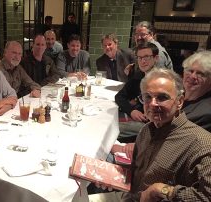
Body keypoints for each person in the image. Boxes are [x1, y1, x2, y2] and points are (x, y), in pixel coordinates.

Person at [89, 68, 211, 201]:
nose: (152, 104)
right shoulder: (146, 130)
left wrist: (161, 190)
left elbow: (206, 196)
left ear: (180, 101)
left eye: (162, 97)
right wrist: (112, 175)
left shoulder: (202, 144)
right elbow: (138, 170)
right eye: (147, 97)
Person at [115, 42, 159, 142]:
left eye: (146, 57)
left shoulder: (161, 80)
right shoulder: (139, 76)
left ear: (156, 58)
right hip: (137, 117)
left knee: (111, 128)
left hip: (152, 126)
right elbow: (119, 96)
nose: (142, 61)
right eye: (139, 58)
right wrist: (132, 111)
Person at [182, 50, 211, 132]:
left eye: (200, 74)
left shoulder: (206, 114)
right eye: (190, 71)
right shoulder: (177, 94)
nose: (192, 76)